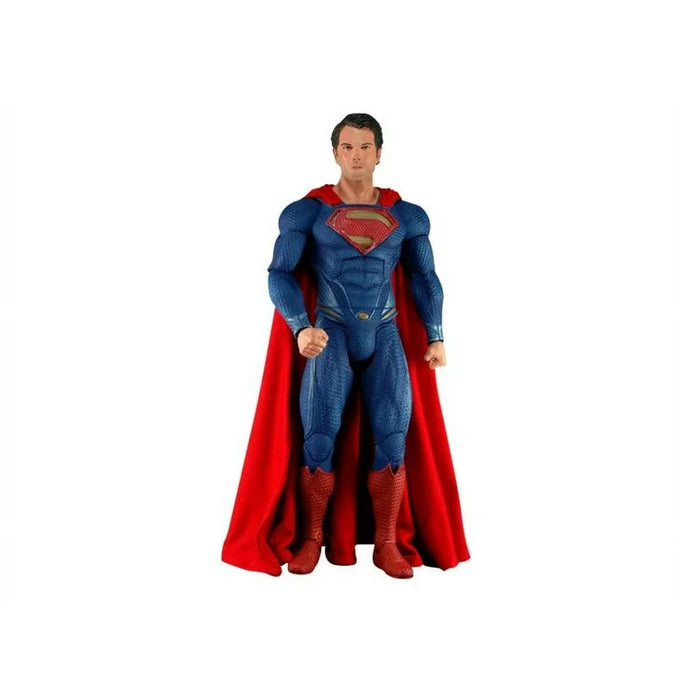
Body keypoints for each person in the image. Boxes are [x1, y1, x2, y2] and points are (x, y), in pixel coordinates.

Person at [221, 114, 469, 578]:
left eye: (365, 147)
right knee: (318, 438)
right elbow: (279, 273)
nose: (357, 156)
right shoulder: (306, 212)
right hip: (329, 333)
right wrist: (300, 326)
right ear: (335, 152)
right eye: (348, 147)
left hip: (386, 334)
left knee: (393, 439)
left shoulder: (407, 215)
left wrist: (435, 333)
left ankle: (387, 543)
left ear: (380, 153)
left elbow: (425, 277)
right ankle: (312, 538)